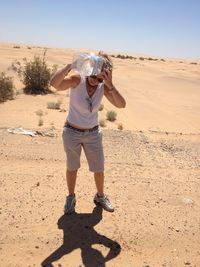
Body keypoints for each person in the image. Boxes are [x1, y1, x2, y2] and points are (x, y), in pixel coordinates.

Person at [50, 52, 126, 214]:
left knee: (99, 169)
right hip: (71, 132)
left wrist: (110, 84)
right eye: (93, 76)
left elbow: (121, 104)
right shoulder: (78, 80)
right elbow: (55, 83)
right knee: (72, 167)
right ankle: (71, 197)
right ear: (88, 70)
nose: (95, 82)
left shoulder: (103, 87)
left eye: (99, 79)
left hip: (93, 134)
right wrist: (70, 66)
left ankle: (100, 196)